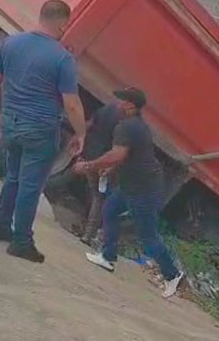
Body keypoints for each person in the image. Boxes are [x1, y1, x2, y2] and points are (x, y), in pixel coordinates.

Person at [0, 0, 86, 263]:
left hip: (11, 122)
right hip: (39, 129)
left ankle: (0, 225)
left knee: (13, 177)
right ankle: (21, 241)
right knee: (30, 186)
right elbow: (72, 104)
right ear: (63, 23)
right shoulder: (62, 58)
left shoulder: (11, 43)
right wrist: (81, 133)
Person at [74, 88, 184, 299]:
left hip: (144, 189)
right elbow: (130, 156)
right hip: (133, 184)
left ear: (130, 106)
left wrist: (89, 166)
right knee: (109, 210)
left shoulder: (127, 127)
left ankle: (173, 274)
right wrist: (112, 169)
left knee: (148, 237)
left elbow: (117, 154)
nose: (117, 103)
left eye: (121, 100)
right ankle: (108, 257)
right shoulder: (137, 126)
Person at [79, 101, 121, 244]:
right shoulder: (124, 122)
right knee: (102, 198)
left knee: (96, 194)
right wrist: (110, 167)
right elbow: (118, 148)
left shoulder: (106, 108)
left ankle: (88, 232)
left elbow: (89, 124)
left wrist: (79, 142)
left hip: (90, 154)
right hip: (103, 161)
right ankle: (91, 235)